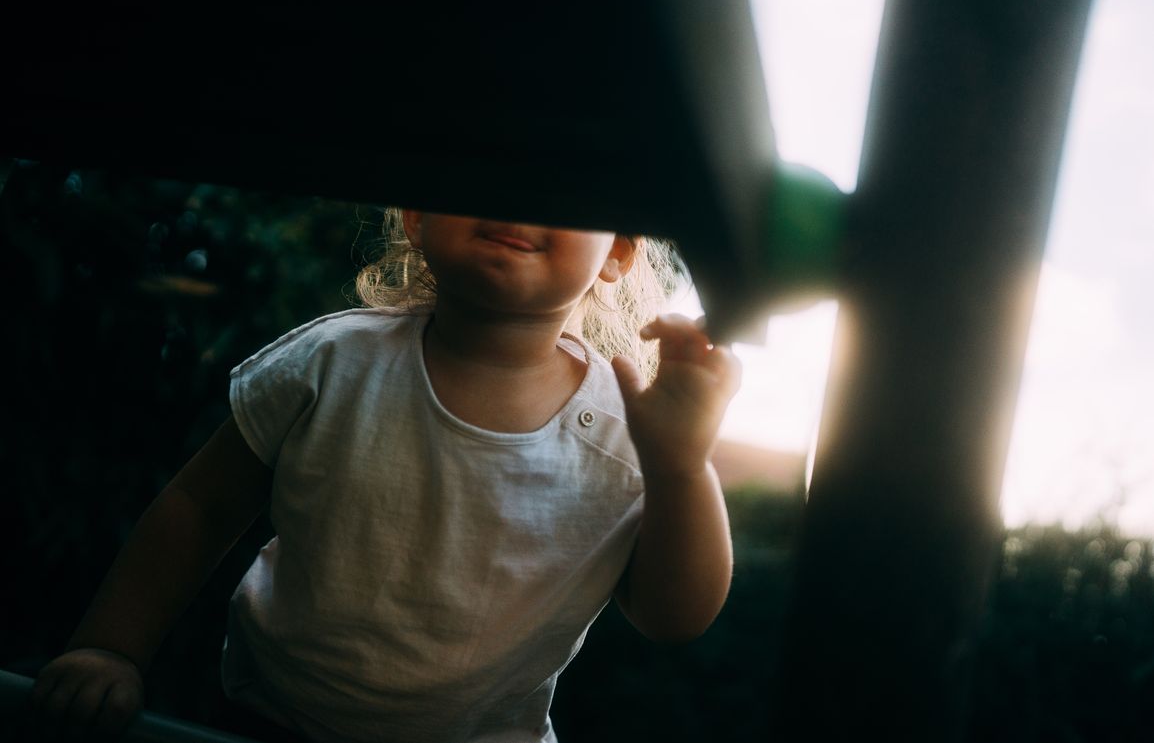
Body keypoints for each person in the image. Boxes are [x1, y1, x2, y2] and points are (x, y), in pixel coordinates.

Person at [30, 209, 741, 742]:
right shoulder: (331, 360)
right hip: (265, 722)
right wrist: (109, 645)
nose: (517, 200)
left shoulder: (634, 434)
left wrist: (681, 467)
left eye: (560, 188)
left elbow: (672, 616)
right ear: (415, 214)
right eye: (480, 171)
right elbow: (197, 506)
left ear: (618, 251)